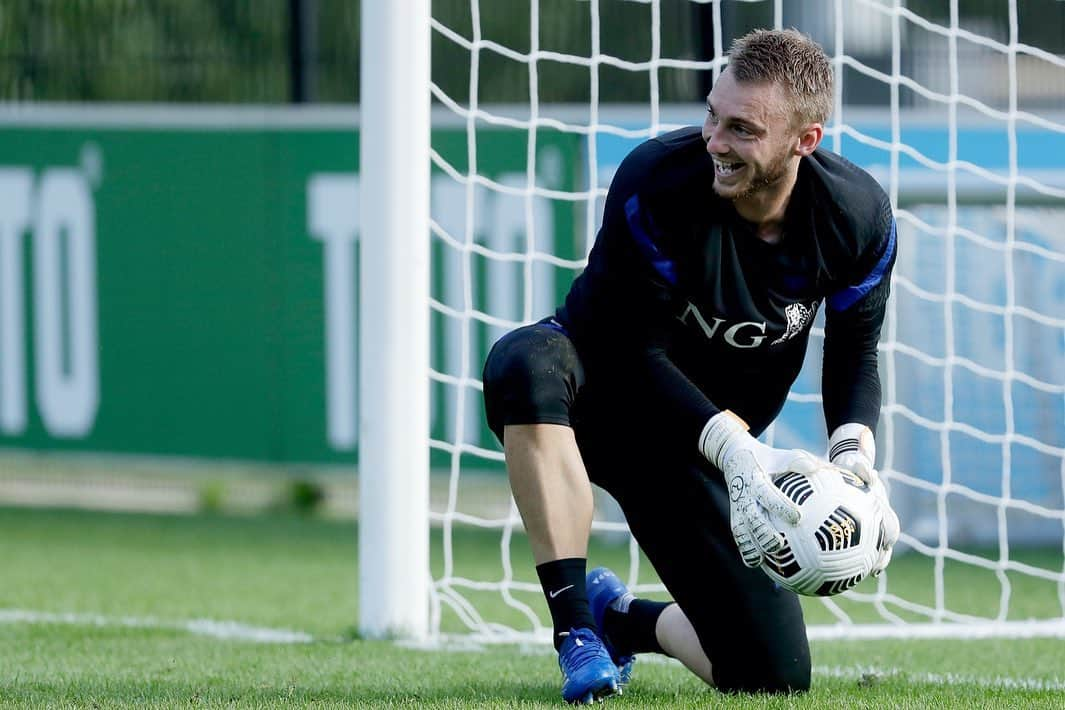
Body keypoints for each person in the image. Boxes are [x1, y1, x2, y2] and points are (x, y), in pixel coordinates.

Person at [482, 28, 899, 704]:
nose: (714, 139)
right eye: (712, 114)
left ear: (804, 141)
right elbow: (628, 349)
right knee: (523, 362)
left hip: (691, 449)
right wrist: (732, 442)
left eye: (740, 128)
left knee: (769, 677)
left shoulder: (856, 217)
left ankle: (620, 618)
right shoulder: (658, 182)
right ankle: (576, 633)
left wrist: (853, 454)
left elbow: (855, 347)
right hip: (601, 398)